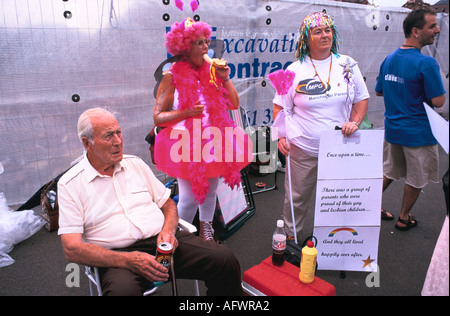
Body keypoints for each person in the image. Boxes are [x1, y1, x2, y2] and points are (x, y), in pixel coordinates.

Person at [57, 108, 243, 296]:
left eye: (119, 133)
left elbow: (168, 204)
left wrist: (169, 231)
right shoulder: (70, 184)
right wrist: (128, 260)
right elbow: (72, 249)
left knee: (225, 260)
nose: (118, 141)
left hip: (162, 242)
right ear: (87, 143)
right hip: (117, 257)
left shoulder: (135, 164)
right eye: (108, 136)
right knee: (122, 293)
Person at [272, 11, 370, 239]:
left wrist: (354, 122)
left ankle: (334, 243)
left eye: (328, 30)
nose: (325, 35)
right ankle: (291, 239)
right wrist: (282, 137)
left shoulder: (348, 64)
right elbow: (279, 108)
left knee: (336, 199)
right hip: (303, 148)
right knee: (296, 198)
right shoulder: (292, 70)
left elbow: (361, 99)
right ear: (306, 38)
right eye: (318, 32)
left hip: (340, 149)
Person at [153, 18, 252, 241]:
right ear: (184, 47)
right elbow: (158, 117)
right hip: (185, 144)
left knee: (211, 190)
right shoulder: (171, 77)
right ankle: (177, 235)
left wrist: (225, 79)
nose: (206, 47)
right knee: (188, 198)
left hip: (215, 139)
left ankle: (206, 227)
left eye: (207, 41)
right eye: (199, 43)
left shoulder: (213, 73)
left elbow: (234, 104)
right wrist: (185, 113)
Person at [375, 9, 446, 231]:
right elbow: (439, 101)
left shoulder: (389, 58)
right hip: (418, 133)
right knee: (415, 177)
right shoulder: (426, 63)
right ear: (415, 31)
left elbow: (379, 91)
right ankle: (404, 217)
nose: (437, 30)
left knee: (389, 171)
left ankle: (369, 207)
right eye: (432, 26)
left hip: (394, 129)